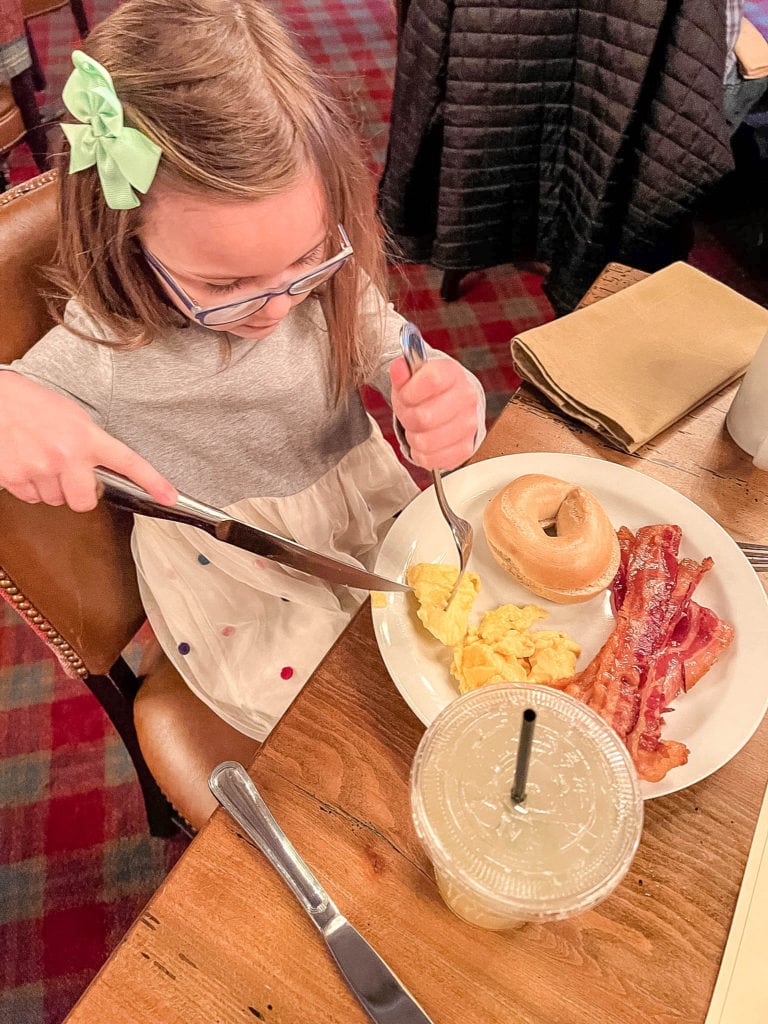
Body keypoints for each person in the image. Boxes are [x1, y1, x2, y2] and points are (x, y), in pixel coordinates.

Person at [0, 0, 486, 740]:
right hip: (244, 579)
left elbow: (390, 341)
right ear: (122, 233)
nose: (274, 307)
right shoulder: (97, 354)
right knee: (377, 729)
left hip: (362, 507)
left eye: (305, 257)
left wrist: (436, 384)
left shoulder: (319, 275)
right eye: (223, 286)